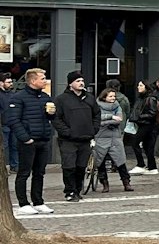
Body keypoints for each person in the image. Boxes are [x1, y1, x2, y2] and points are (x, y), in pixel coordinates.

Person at [5, 68, 54, 214]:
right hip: (28, 141)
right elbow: (13, 120)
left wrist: (51, 114)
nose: (45, 80)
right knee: (24, 172)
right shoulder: (18, 97)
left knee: (40, 172)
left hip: (43, 139)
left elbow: (49, 119)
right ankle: (23, 203)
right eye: (42, 78)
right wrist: (26, 138)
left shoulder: (45, 97)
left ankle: (38, 201)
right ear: (33, 81)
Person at [53, 72, 96, 202]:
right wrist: (67, 132)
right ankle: (69, 191)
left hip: (85, 138)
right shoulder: (61, 99)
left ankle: (77, 190)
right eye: (78, 81)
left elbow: (97, 115)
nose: (81, 83)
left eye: (82, 80)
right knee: (69, 166)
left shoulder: (89, 98)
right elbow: (56, 118)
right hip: (68, 140)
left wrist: (94, 130)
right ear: (70, 83)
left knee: (81, 166)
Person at [89, 81, 135, 193]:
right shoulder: (96, 106)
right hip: (101, 136)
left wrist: (110, 120)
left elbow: (119, 119)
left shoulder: (117, 106)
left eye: (114, 96)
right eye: (110, 96)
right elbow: (97, 120)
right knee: (100, 161)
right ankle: (104, 183)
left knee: (120, 161)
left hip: (115, 137)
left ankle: (126, 182)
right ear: (104, 97)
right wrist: (111, 118)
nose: (113, 98)